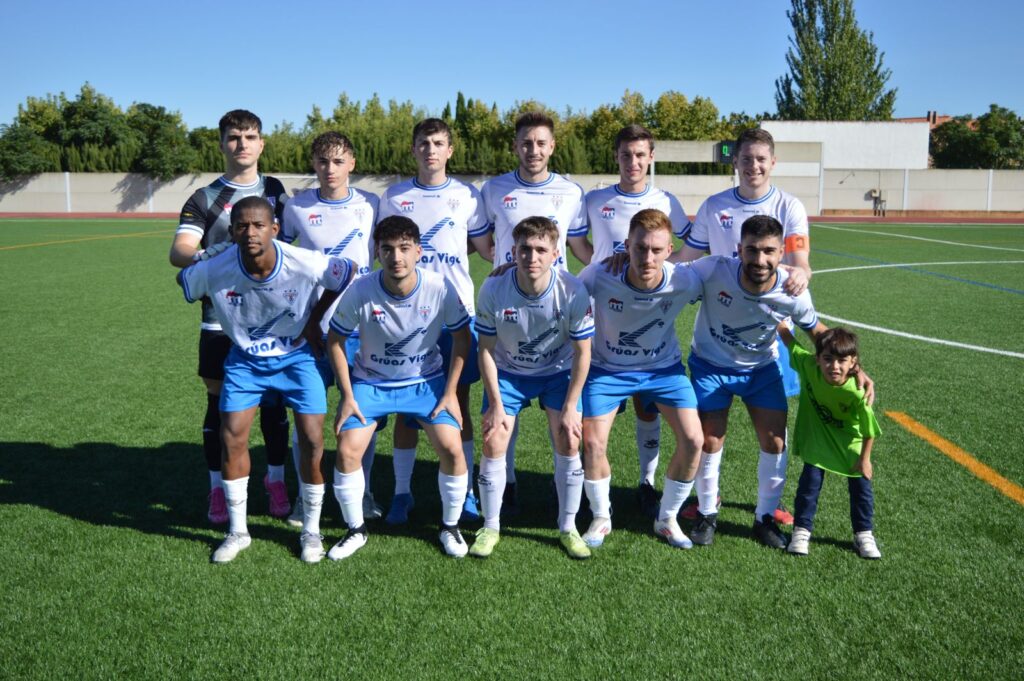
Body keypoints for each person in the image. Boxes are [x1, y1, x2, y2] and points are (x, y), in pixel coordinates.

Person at [176, 196, 356, 563]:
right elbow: (186, 282)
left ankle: (311, 531)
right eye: (242, 226)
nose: (250, 232)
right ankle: (238, 532)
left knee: (312, 440)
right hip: (244, 362)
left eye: (259, 225)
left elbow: (345, 271)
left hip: (296, 359)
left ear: (275, 229)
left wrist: (313, 318)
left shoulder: (300, 260)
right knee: (233, 439)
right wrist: (204, 259)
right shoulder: (218, 267)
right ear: (233, 231)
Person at [673, 127, 813, 527]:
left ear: (772, 162)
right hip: (719, 323)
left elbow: (801, 260)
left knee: (772, 430)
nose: (753, 165)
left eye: (761, 158)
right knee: (711, 430)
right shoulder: (714, 205)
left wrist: (801, 275)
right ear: (734, 161)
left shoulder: (790, 205)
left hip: (771, 331)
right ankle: (707, 500)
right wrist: (649, 275)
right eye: (746, 158)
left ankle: (768, 508)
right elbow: (687, 256)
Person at [168, 109, 293, 525]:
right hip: (221, 320)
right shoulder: (204, 198)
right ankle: (217, 488)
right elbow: (180, 251)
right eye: (234, 137)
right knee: (220, 404)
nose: (242, 144)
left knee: (275, 403)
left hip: (274, 320)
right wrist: (207, 253)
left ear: (261, 143)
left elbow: (292, 242)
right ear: (222, 144)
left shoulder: (276, 190)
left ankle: (275, 480)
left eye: (250, 137)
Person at [325, 215, 472, 559]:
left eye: (405, 248)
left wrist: (450, 392)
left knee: (452, 448)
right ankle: (355, 530)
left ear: (419, 251)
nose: (397, 258)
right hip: (371, 383)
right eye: (388, 249)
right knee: (348, 450)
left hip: (425, 382)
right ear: (377, 253)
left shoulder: (439, 287)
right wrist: (347, 396)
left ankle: (450, 526)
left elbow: (462, 340)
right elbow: (334, 340)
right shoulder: (361, 289)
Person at [681, 215, 829, 549]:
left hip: (760, 370)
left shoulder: (793, 292)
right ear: (739, 250)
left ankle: (764, 517)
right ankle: (707, 512)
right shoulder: (713, 270)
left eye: (768, 251)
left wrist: (854, 366)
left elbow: (818, 333)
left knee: (775, 441)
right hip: (710, 365)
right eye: (752, 250)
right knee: (710, 440)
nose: (759, 260)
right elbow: (667, 275)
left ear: (781, 254)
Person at [376, 118, 491, 524]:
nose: (430, 150)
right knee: (407, 408)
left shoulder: (468, 196)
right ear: (413, 150)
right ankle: (403, 492)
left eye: (438, 143)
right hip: (405, 318)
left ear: (450, 150)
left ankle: (468, 492)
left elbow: (481, 248)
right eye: (423, 143)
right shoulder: (394, 196)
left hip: (457, 316)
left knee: (457, 402)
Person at [578, 124, 692, 519]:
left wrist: (660, 277)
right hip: (608, 309)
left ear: (651, 157)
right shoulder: (595, 199)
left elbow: (689, 248)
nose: (633, 162)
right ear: (617, 156)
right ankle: (596, 503)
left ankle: (646, 481)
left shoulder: (667, 201)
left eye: (640, 155)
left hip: (649, 307)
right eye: (626, 154)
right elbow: (579, 245)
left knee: (649, 410)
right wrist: (607, 264)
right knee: (597, 421)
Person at [480, 111, 588, 513]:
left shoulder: (572, 192)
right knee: (503, 407)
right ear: (515, 146)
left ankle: (568, 513)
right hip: (510, 300)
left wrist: (612, 267)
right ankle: (504, 486)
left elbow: (577, 249)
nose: (533, 150)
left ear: (552, 146)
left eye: (541, 143)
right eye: (526, 142)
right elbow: (482, 243)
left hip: (555, 307)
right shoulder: (493, 189)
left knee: (562, 419)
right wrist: (501, 269)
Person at [577, 209, 705, 550]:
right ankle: (601, 516)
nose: (647, 257)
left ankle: (667, 518)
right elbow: (562, 291)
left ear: (669, 250)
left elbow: (731, 278)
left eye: (656, 250)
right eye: (639, 248)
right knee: (591, 443)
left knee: (694, 441)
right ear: (626, 246)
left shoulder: (685, 280)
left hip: (663, 371)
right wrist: (508, 273)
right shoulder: (601, 274)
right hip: (608, 371)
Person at [471, 217, 594, 559]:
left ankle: (568, 527)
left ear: (556, 253)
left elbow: (584, 352)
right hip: (508, 372)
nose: (532, 257)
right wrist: (495, 403)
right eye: (525, 249)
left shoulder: (572, 290)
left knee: (569, 437)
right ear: (513, 252)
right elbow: (485, 349)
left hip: (558, 371)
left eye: (541, 250)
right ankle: (491, 526)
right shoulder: (494, 288)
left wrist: (570, 406)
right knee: (494, 437)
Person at [280, 131, 381, 524]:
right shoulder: (296, 208)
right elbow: (284, 264)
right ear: (313, 164)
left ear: (352, 164)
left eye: (339, 162)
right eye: (323, 161)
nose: (330, 169)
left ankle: (365, 491)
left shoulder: (372, 205)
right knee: (307, 423)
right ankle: (307, 498)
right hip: (310, 331)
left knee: (360, 419)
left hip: (363, 330)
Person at [778, 326, 882, 559]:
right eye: (827, 359)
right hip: (818, 441)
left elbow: (869, 431)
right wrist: (777, 316)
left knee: (861, 490)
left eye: (842, 361)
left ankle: (863, 534)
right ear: (817, 359)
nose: (834, 367)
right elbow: (790, 341)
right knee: (809, 486)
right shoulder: (808, 367)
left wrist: (865, 460)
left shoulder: (857, 392)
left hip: (850, 445)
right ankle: (802, 532)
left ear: (853, 362)